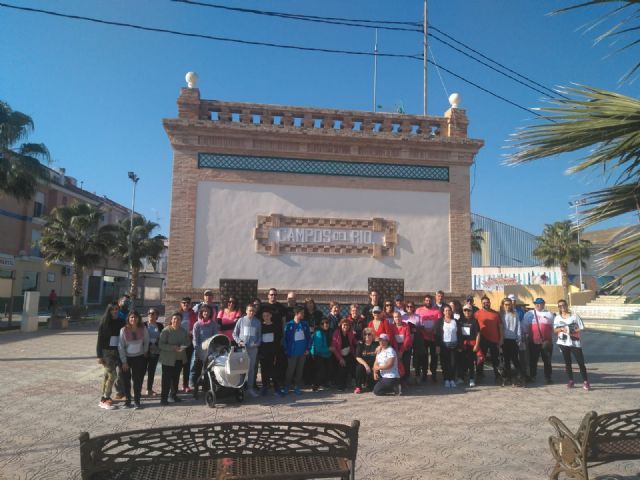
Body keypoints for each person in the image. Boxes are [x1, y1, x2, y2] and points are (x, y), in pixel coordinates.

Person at [554, 299, 590, 390]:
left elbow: (581, 327)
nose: (562, 307)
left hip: (574, 342)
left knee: (581, 362)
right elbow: (555, 330)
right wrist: (562, 329)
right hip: (563, 343)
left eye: (563, 305)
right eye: (560, 306)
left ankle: (585, 382)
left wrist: (571, 330)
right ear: (558, 307)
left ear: (567, 305)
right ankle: (570, 380)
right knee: (567, 363)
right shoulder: (557, 317)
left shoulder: (574, 316)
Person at [118, 310, 149, 409]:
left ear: (138, 319)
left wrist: (144, 351)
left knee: (137, 380)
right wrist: (124, 362)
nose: (133, 319)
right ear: (128, 319)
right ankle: (128, 400)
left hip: (139, 358)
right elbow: (121, 346)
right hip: (127, 359)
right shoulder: (123, 330)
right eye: (131, 317)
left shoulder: (143, 329)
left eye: (135, 317)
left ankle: (137, 401)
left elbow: (146, 341)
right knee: (126, 380)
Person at [158, 312, 189, 405]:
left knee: (176, 379)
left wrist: (183, 346)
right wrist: (173, 348)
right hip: (168, 359)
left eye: (178, 319)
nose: (176, 320)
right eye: (174, 318)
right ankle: (163, 399)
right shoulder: (166, 331)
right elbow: (161, 344)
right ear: (171, 320)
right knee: (166, 380)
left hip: (179, 358)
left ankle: (173, 395)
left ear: (181, 321)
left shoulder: (183, 331)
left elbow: (188, 342)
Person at [96, 304, 122, 410]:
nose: (115, 311)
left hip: (118, 351)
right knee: (112, 375)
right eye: (112, 310)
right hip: (106, 352)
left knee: (107, 375)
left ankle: (103, 398)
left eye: (116, 309)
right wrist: (99, 356)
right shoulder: (104, 323)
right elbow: (100, 340)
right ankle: (106, 397)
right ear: (109, 311)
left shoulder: (121, 321)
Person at [523, 297, 555, 384]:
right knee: (533, 360)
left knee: (547, 361)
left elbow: (554, 328)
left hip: (546, 342)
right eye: (537, 303)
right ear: (534, 304)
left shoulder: (549, 314)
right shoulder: (529, 314)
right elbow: (524, 327)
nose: (539, 305)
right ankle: (533, 376)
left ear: (544, 304)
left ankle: (548, 377)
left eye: (541, 303)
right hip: (533, 342)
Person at [233, 304, 262, 397]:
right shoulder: (241, 320)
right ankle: (239, 388)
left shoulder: (257, 322)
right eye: (250, 310)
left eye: (253, 311)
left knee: (251, 369)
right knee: (241, 369)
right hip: (242, 349)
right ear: (246, 311)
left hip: (253, 349)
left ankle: (250, 389)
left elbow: (259, 335)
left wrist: (258, 343)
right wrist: (239, 341)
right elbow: (234, 334)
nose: (251, 312)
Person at [282, 306, 311, 396]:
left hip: (302, 352)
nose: (303, 314)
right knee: (290, 370)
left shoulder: (305, 324)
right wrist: (286, 350)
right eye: (301, 313)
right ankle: (286, 386)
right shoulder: (289, 324)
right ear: (296, 313)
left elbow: (309, 338)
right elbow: (285, 339)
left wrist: (308, 349)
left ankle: (297, 386)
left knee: (299, 370)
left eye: (303, 313)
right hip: (292, 352)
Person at [190, 304, 219, 393]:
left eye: (208, 311)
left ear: (210, 313)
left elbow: (215, 337)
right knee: (196, 370)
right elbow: (195, 339)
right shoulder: (197, 325)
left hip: (209, 351)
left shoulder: (213, 324)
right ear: (201, 313)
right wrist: (197, 350)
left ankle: (206, 387)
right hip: (199, 350)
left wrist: (212, 350)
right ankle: (194, 386)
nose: (206, 313)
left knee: (208, 370)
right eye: (204, 311)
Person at [475, 296, 503, 384]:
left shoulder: (496, 314)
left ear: (489, 303)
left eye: (487, 302)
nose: (485, 304)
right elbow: (474, 328)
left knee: (495, 359)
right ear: (481, 303)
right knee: (480, 359)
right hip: (482, 339)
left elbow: (500, 327)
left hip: (494, 340)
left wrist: (501, 339)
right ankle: (479, 375)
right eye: (483, 302)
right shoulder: (477, 314)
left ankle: (498, 376)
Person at [415, 295, 441, 383]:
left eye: (429, 300)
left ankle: (434, 374)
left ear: (432, 301)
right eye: (426, 300)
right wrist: (424, 329)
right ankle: (424, 374)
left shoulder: (437, 311)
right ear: (424, 301)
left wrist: (433, 329)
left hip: (433, 337)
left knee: (434, 357)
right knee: (424, 357)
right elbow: (417, 323)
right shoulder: (419, 310)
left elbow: (439, 323)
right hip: (423, 337)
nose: (428, 302)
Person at [500, 297, 523, 387]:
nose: (508, 306)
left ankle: (520, 378)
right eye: (506, 304)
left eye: (509, 304)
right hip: (504, 340)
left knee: (515, 360)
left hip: (513, 340)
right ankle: (508, 378)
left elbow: (518, 327)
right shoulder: (501, 315)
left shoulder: (515, 314)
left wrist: (519, 339)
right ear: (503, 305)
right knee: (506, 361)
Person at [435, 305, 460, 389]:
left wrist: (460, 345)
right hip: (444, 346)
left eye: (449, 310)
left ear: (451, 311)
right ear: (443, 312)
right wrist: (437, 345)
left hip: (454, 345)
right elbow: (437, 335)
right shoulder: (439, 322)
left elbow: (459, 334)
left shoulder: (455, 321)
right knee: (445, 364)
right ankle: (446, 379)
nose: (448, 312)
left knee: (453, 363)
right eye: (446, 310)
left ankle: (452, 379)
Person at [258, 309, 282, 395]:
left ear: (270, 316)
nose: (266, 317)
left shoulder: (275, 326)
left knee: (273, 370)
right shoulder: (260, 326)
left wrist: (276, 352)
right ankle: (265, 386)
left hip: (273, 351)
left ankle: (276, 386)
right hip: (263, 352)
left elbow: (278, 339)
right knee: (264, 370)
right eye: (264, 316)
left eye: (267, 315)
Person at [509, 293, 530, 382]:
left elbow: (522, 323)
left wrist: (524, 334)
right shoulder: (504, 310)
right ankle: (512, 375)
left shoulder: (520, 310)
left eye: (514, 300)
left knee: (523, 356)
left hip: (520, 336)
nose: (513, 302)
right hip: (510, 337)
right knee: (512, 357)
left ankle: (524, 374)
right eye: (511, 300)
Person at [332, 318, 357, 391]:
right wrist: (340, 359)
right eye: (344, 325)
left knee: (352, 365)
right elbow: (334, 348)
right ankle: (341, 386)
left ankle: (349, 383)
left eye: (348, 325)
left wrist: (358, 342)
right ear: (341, 325)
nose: (346, 326)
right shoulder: (336, 333)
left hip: (349, 353)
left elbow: (353, 340)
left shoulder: (350, 332)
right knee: (342, 367)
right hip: (339, 354)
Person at [459, 304, 480, 387]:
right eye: (465, 310)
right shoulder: (460, 321)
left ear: (472, 311)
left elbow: (478, 334)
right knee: (462, 362)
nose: (467, 312)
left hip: (472, 344)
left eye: (469, 310)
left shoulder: (474, 321)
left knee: (471, 362)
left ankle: (471, 378)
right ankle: (461, 378)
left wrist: (477, 345)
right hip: (462, 345)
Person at [310, 317, 333, 391]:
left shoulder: (329, 331)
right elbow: (318, 349)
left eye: (327, 323)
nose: (325, 325)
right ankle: (315, 386)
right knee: (321, 370)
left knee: (329, 369)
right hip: (318, 354)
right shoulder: (319, 333)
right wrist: (329, 349)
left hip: (327, 354)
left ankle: (324, 383)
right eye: (323, 323)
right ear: (320, 325)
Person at [144, 307, 164, 396]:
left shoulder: (160, 325)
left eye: (153, 313)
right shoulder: (143, 325)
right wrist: (149, 345)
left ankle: (149, 389)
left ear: (156, 316)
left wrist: (155, 344)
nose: (151, 315)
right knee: (142, 371)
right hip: (144, 351)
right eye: (149, 313)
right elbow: (141, 337)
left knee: (151, 371)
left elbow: (162, 337)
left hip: (155, 351)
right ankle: (138, 389)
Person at [354, 328, 378, 393]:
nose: (367, 336)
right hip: (364, 366)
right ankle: (358, 387)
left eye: (369, 334)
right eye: (365, 334)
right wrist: (366, 365)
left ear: (372, 335)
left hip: (374, 365)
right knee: (359, 367)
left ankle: (369, 384)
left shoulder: (376, 344)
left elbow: (379, 355)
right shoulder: (360, 344)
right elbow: (358, 357)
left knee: (373, 388)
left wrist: (374, 367)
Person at [390, 311, 412, 384]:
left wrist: (401, 351)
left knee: (406, 362)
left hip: (405, 346)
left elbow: (407, 338)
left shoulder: (406, 326)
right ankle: (398, 378)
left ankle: (407, 377)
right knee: (396, 363)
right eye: (395, 317)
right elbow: (393, 339)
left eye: (398, 316)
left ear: (401, 317)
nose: (397, 318)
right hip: (395, 347)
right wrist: (397, 351)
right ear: (393, 318)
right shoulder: (392, 327)